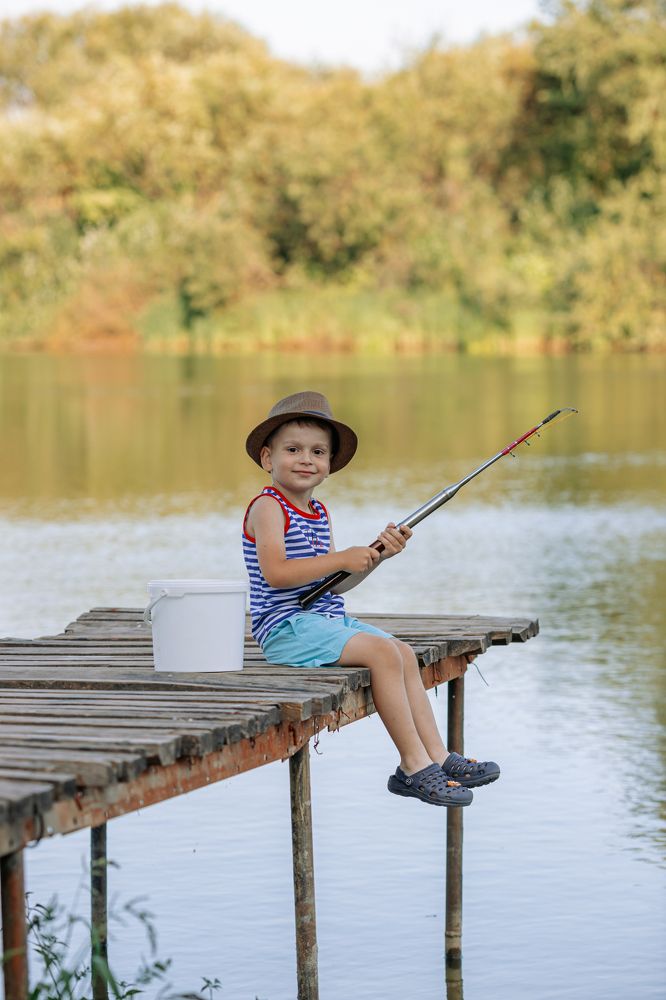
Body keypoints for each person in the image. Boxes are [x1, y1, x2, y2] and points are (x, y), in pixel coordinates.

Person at [242, 390, 499, 808]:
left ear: (328, 465)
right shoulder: (268, 507)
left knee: (400, 651)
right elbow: (277, 573)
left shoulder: (318, 512)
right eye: (293, 449)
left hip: (321, 619)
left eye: (317, 452)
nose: (306, 459)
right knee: (382, 654)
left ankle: (437, 755)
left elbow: (333, 586)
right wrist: (342, 556)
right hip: (286, 629)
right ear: (268, 459)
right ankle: (413, 767)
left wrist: (374, 559)